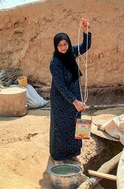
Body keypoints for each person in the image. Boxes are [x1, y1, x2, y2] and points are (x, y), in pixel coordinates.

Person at [49, 18, 92, 165]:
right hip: (62, 99)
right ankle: (58, 157)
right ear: (56, 46)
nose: (63, 47)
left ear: (68, 43)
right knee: (61, 127)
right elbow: (60, 86)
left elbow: (85, 46)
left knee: (75, 124)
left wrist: (85, 31)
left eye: (65, 44)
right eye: (59, 45)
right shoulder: (55, 62)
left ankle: (73, 153)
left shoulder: (71, 52)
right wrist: (74, 101)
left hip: (75, 95)